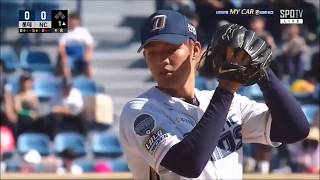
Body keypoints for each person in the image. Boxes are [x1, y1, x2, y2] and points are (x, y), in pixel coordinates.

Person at [119, 10, 309, 179]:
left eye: (171, 49)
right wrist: (226, 89)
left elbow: (295, 129)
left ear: (194, 50)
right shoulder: (140, 111)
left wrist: (260, 68)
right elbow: (189, 165)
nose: (162, 60)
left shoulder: (231, 103)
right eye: (152, 53)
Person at [58, 12, 94, 79]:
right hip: (69, 56)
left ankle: (89, 82)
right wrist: (64, 56)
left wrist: (87, 55)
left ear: (78, 21)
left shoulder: (84, 32)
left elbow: (89, 46)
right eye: (71, 20)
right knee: (65, 62)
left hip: (81, 55)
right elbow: (61, 47)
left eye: (75, 20)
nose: (73, 22)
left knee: (88, 62)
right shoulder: (64, 32)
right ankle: (68, 81)